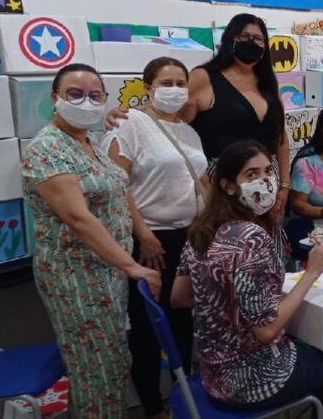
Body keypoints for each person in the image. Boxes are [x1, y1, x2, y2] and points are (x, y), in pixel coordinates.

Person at [171, 140, 323, 418]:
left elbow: (179, 297)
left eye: (268, 172)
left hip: (212, 372)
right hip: (255, 380)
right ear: (228, 186)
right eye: (251, 175)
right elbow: (265, 332)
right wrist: (312, 272)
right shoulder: (250, 238)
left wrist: (226, 293)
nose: (264, 182)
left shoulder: (202, 229)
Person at [21, 63, 161, 418]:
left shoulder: (89, 142)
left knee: (110, 359)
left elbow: (117, 187)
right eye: (75, 94)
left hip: (106, 273)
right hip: (76, 276)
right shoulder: (48, 148)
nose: (86, 102)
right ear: (55, 98)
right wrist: (132, 266)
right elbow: (77, 217)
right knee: (95, 366)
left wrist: (139, 237)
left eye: (95, 95)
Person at [107, 14, 291, 257]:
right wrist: (127, 114)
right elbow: (168, 116)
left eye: (258, 39)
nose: (251, 43)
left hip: (268, 176)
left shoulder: (267, 81)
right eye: (243, 36)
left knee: (267, 246)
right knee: (235, 248)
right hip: (224, 181)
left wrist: (284, 185)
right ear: (228, 39)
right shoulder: (205, 76)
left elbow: (281, 136)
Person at [105, 57, 207, 419]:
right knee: (148, 326)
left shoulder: (189, 131)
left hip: (189, 238)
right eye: (167, 82)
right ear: (148, 87)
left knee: (182, 319)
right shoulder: (130, 123)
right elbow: (118, 186)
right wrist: (144, 234)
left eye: (182, 82)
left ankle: (184, 395)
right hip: (150, 240)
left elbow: (202, 182)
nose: (176, 89)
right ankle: (151, 406)